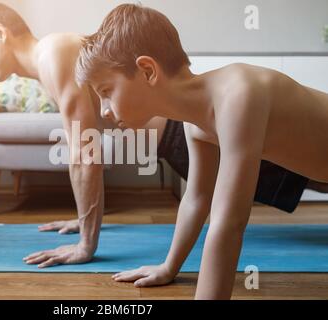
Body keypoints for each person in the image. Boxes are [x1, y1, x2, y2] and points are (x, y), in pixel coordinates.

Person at [75, 4, 328, 299]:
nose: (104, 111)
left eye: (106, 91)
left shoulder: (237, 95)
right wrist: (169, 267)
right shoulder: (194, 123)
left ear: (147, 70)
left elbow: (229, 223)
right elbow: (197, 198)